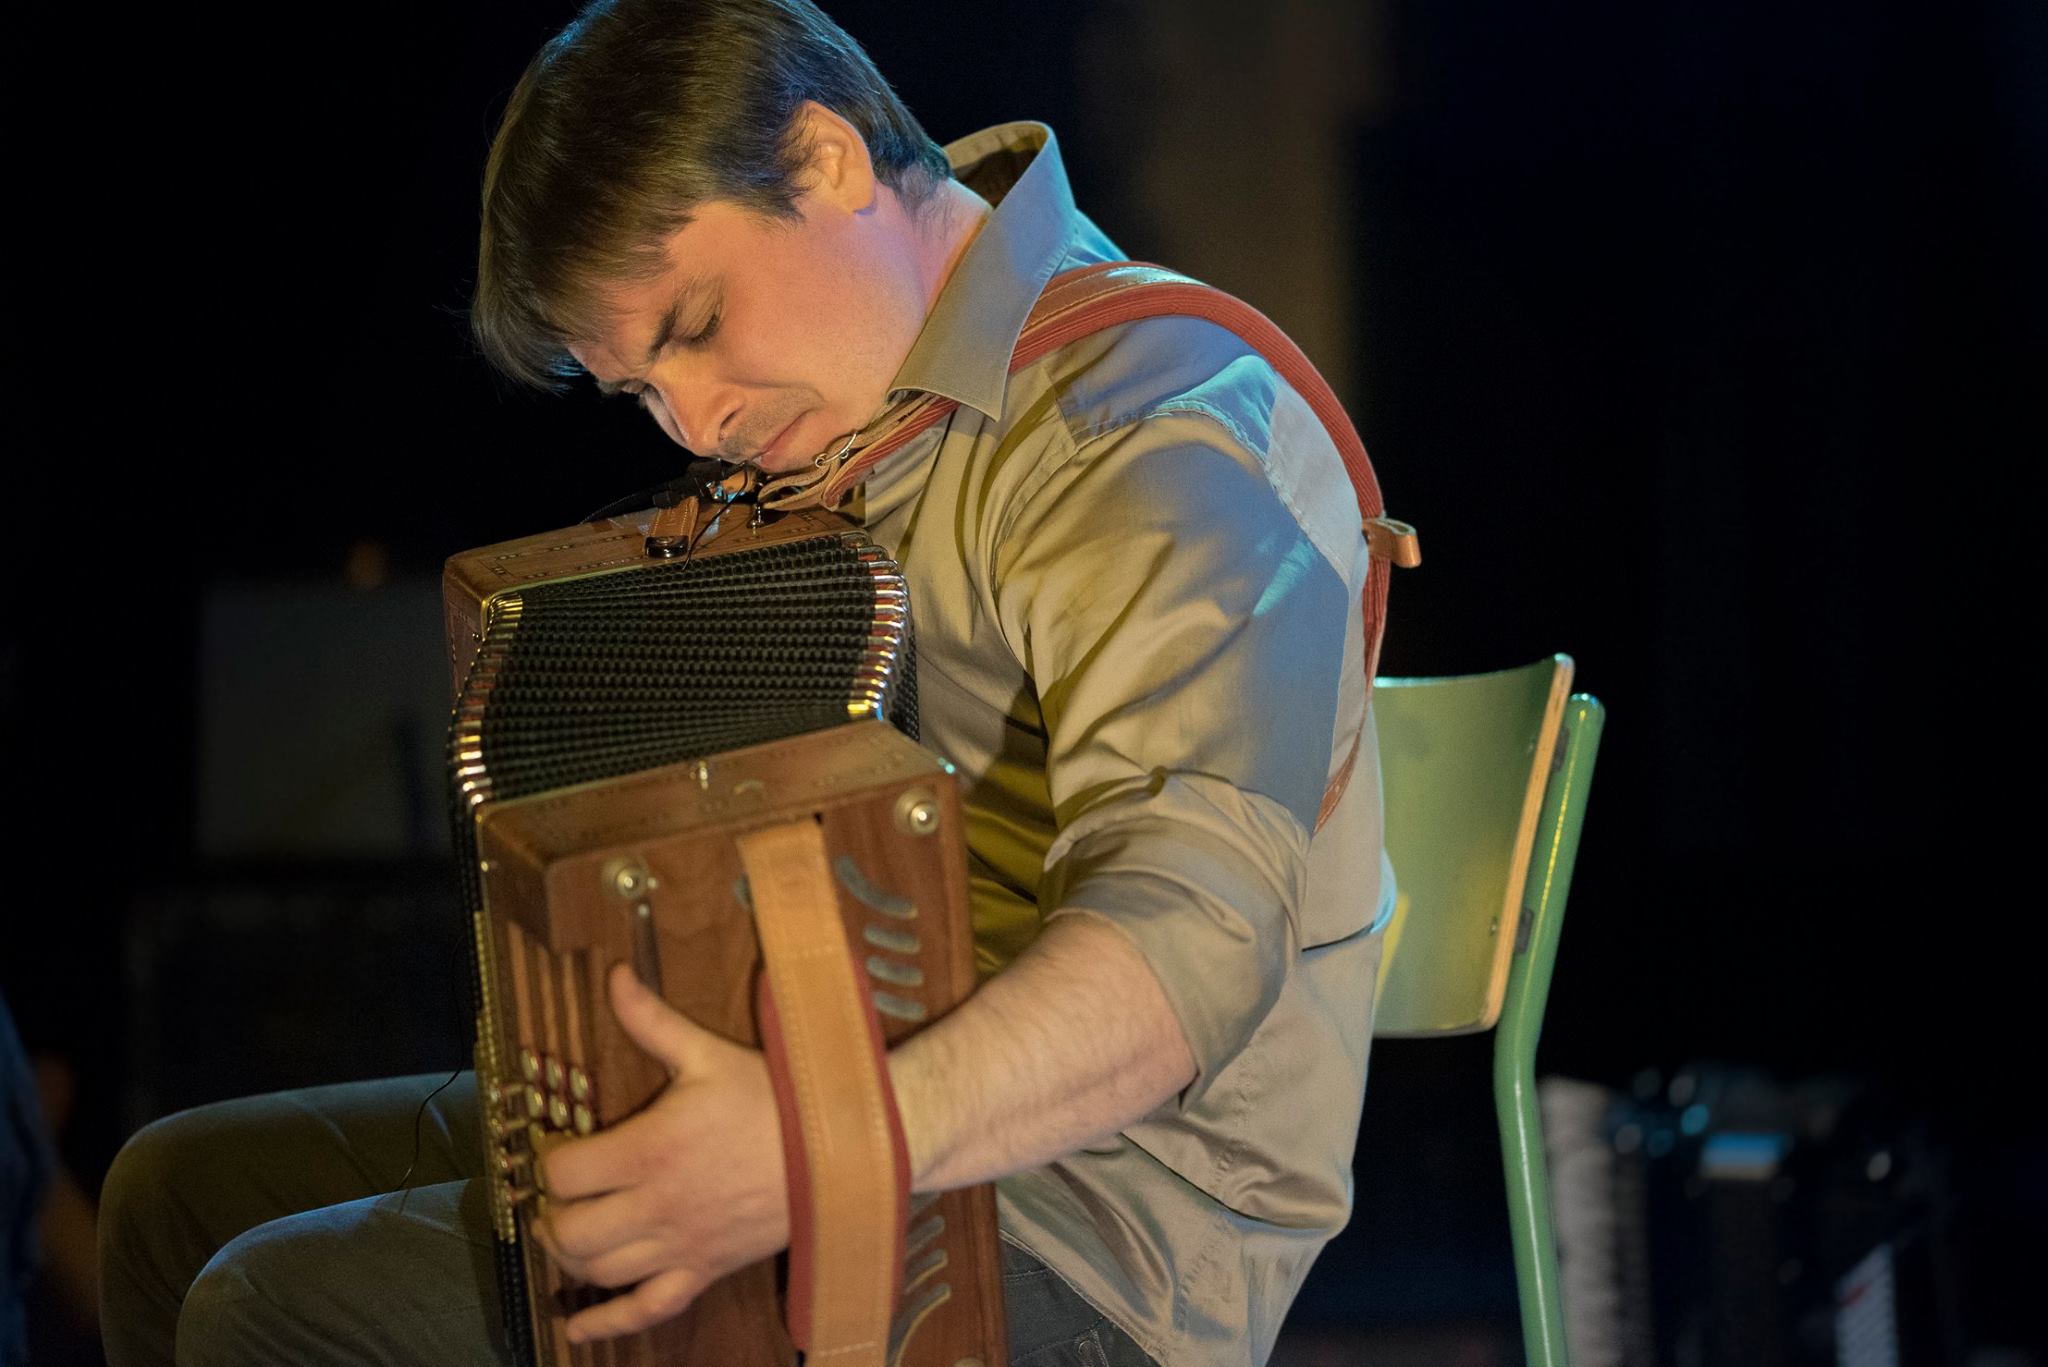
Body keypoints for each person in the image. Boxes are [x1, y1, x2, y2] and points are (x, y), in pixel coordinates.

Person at [97, 2, 1394, 1364]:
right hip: (832, 1077)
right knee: (171, 1200)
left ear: (827, 159)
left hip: (1090, 1235)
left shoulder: (1146, 436)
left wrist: (809, 1144)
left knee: (267, 1305)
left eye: (700, 321)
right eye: (640, 389)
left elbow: (1193, 951)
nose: (699, 421)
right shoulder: (867, 413)